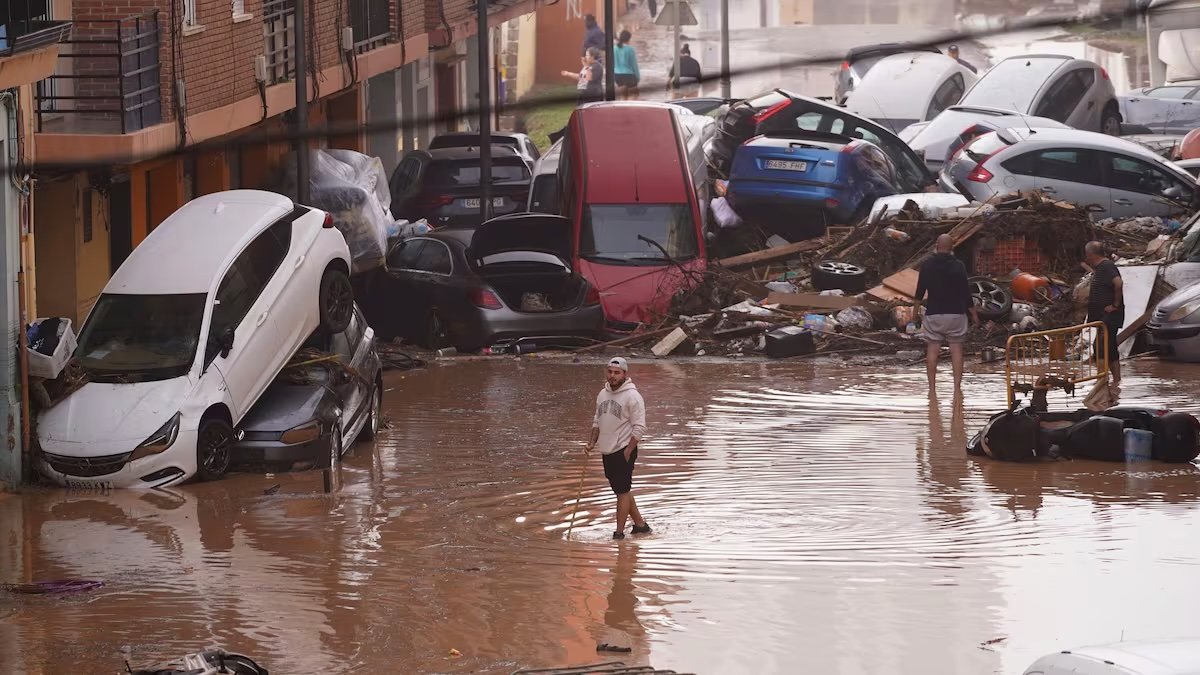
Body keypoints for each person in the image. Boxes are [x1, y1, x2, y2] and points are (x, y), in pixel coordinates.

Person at [585, 357, 650, 540]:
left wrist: (628, 451)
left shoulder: (633, 396)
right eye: (610, 372)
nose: (612, 376)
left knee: (621, 492)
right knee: (623, 489)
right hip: (606, 450)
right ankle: (640, 526)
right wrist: (591, 443)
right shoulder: (602, 394)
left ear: (624, 374)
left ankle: (619, 534)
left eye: (617, 372)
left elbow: (640, 428)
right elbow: (596, 422)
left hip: (623, 449)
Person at [915, 234, 978, 392]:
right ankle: (957, 388)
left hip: (934, 314)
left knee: (932, 350)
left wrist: (914, 313)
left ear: (936, 245)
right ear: (952, 247)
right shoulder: (959, 266)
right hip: (956, 314)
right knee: (956, 350)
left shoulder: (927, 265)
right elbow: (966, 292)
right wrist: (974, 314)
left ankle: (931, 388)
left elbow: (919, 291)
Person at [1084, 240, 1124, 384]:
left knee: (1100, 347)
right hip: (1104, 317)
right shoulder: (1102, 267)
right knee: (1110, 348)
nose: (1086, 258)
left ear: (1090, 254)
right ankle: (1116, 381)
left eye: (1086, 255)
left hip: (1109, 316)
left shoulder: (1106, 266)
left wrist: (1115, 305)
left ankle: (1102, 380)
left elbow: (1118, 283)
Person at [613, 30, 640, 100]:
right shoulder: (630, 49)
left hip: (618, 76)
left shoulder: (614, 48)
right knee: (634, 98)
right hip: (629, 76)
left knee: (623, 99)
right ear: (628, 39)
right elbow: (634, 65)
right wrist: (638, 77)